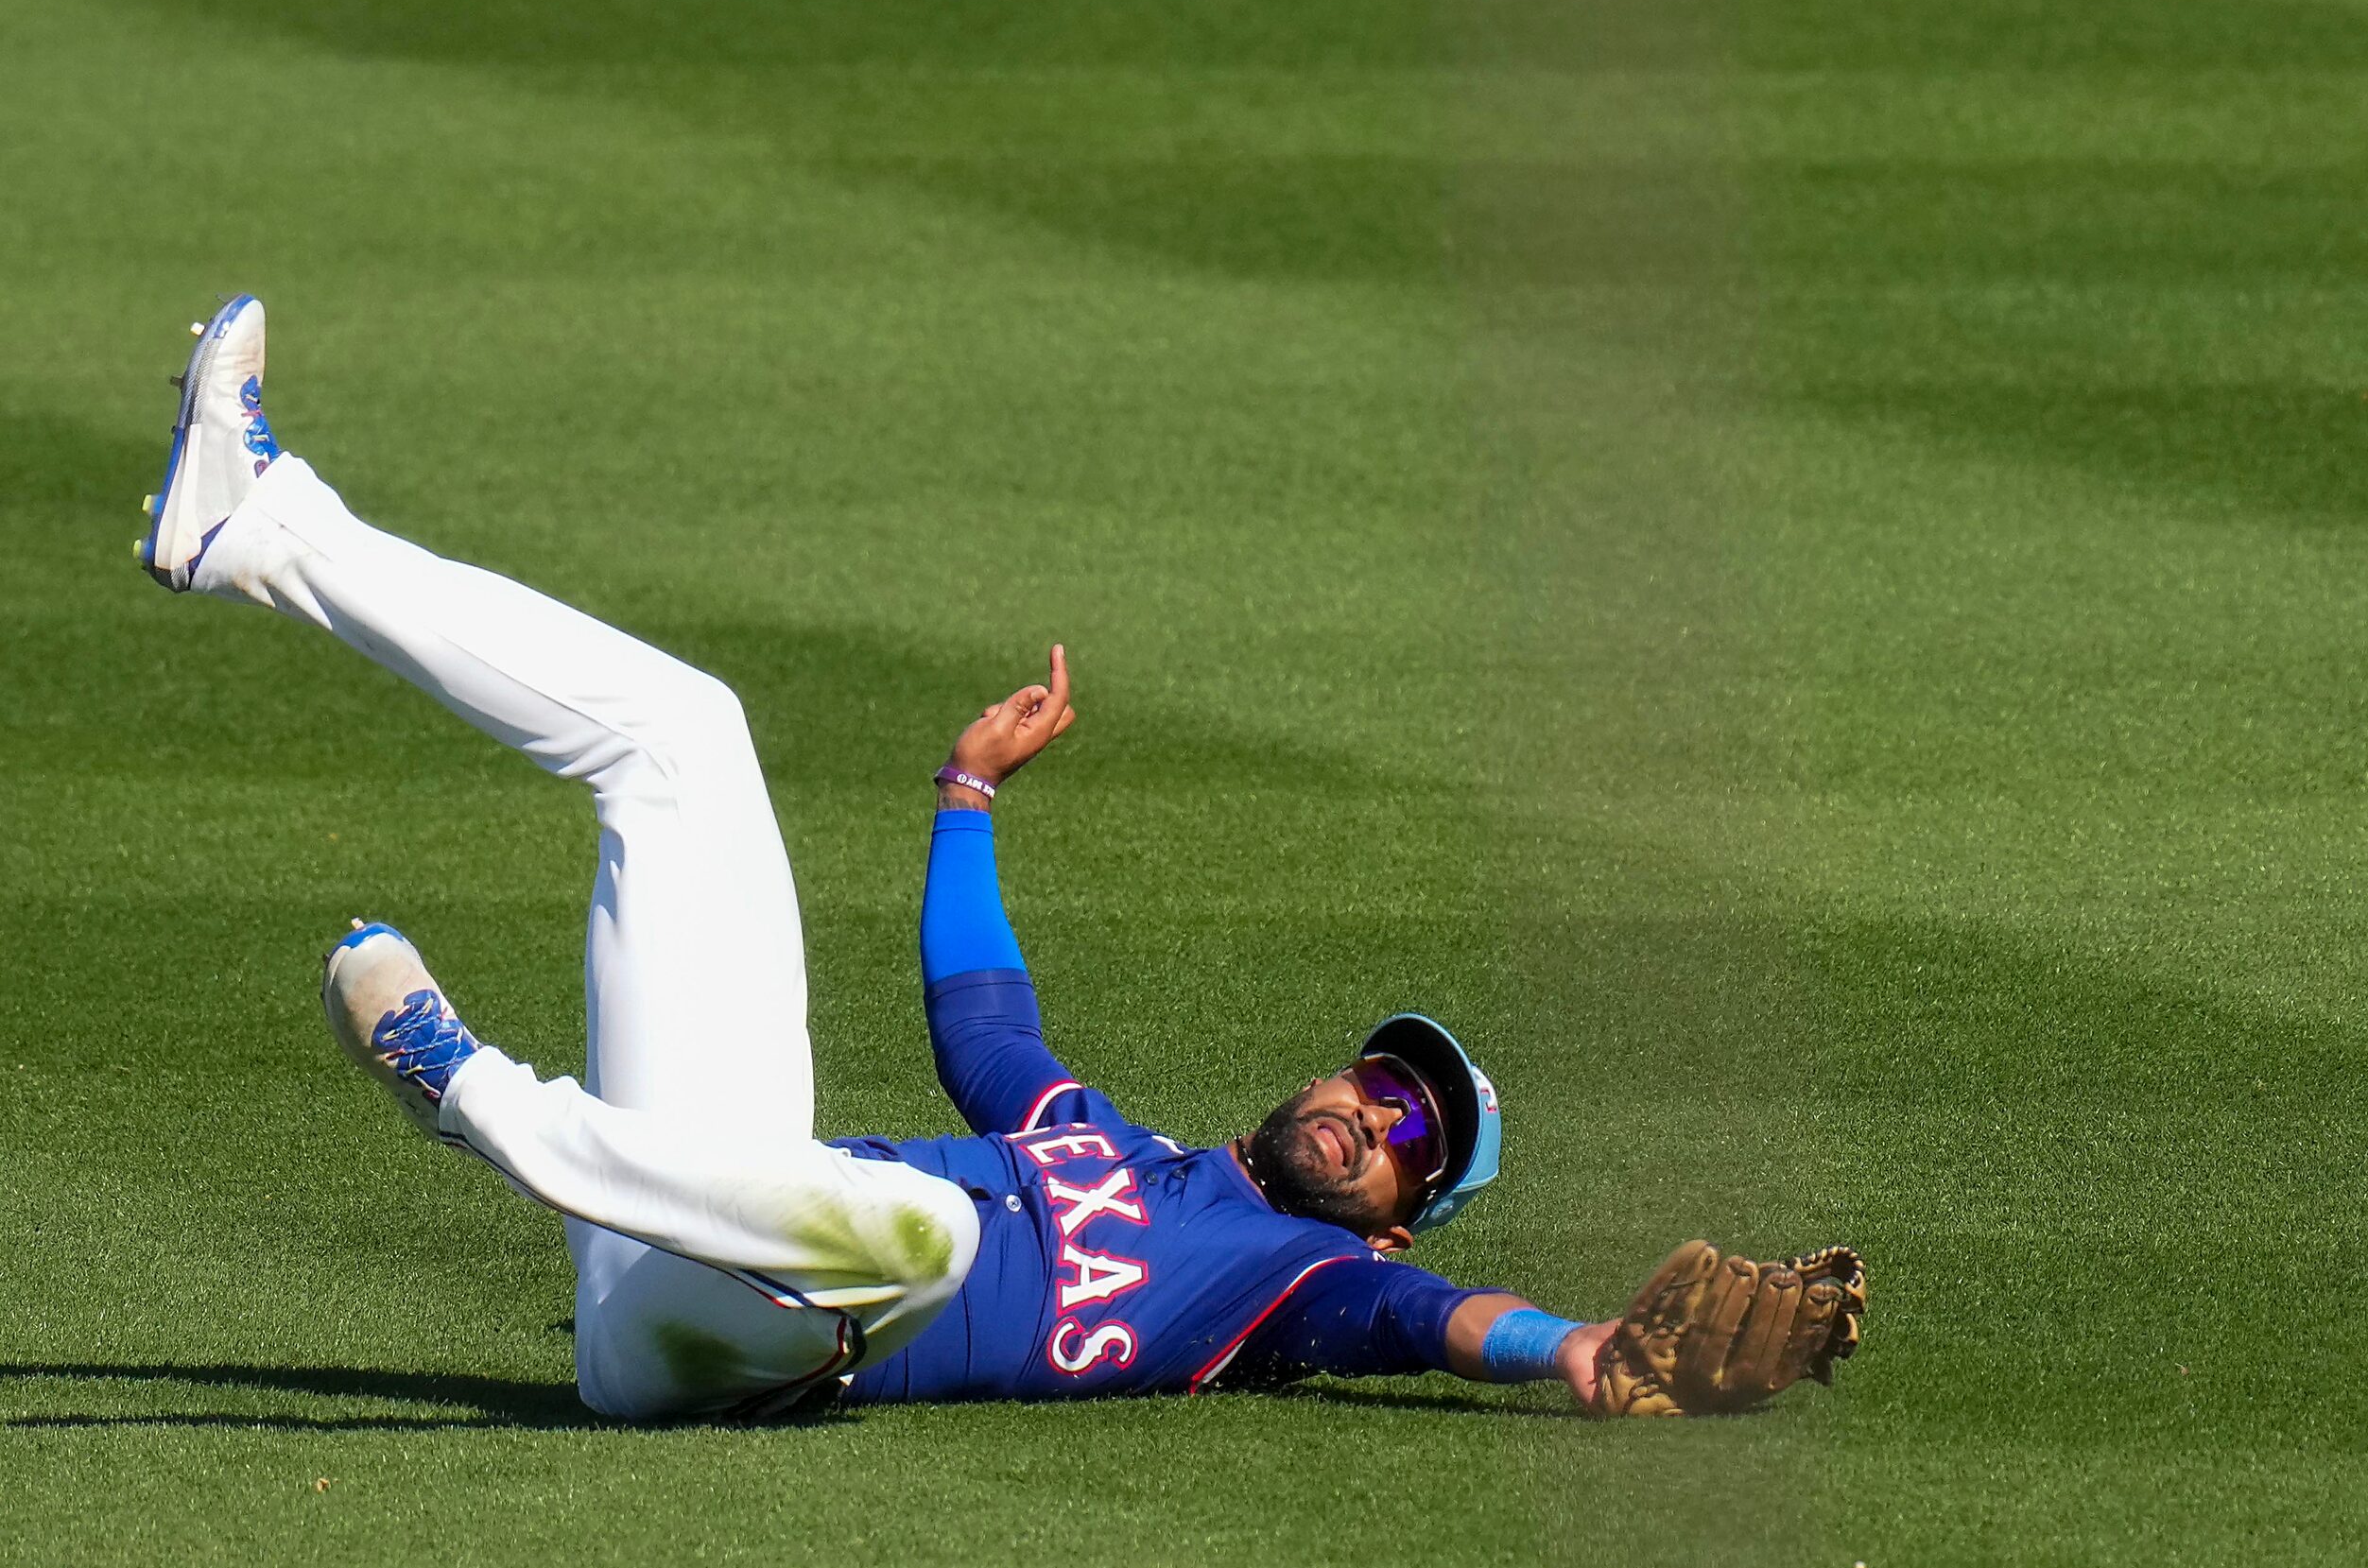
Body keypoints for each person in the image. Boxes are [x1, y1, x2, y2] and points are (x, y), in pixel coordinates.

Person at [137, 296, 1860, 1422]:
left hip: (744, 1349)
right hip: (685, 1227)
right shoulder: (1101, 1141)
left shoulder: (1298, 1285)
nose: (1369, 1111)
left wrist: (1577, 1347)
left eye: (1411, 1138)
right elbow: (980, 1013)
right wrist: (966, 793)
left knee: (920, 1236)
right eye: (1378, 1077)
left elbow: (1441, 1324)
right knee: (687, 738)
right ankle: (259, 523)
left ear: (1400, 1219)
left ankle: (464, 1087)